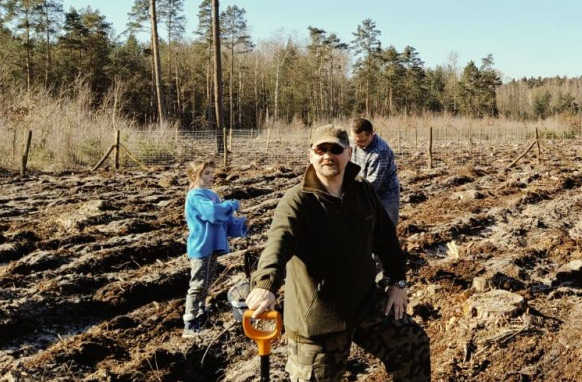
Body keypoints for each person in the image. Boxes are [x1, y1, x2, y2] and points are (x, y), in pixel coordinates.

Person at [247, 125, 430, 382]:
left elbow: (386, 239)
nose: (328, 155)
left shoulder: (362, 190)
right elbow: (278, 243)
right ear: (310, 154)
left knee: (414, 345)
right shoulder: (298, 201)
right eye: (321, 149)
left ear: (349, 153)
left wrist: (398, 281)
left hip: (364, 303)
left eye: (336, 149)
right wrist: (266, 285)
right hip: (319, 319)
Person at [182, 159, 246, 337]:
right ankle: (189, 322)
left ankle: (201, 312)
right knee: (198, 284)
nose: (212, 177)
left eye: (212, 173)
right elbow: (214, 214)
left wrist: (240, 225)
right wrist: (231, 205)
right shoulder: (195, 196)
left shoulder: (212, 195)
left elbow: (224, 219)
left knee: (207, 281)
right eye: (207, 173)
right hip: (201, 246)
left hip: (213, 246)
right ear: (195, 176)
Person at [351, 118, 401, 227]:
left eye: (361, 141)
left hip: (385, 194)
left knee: (387, 228)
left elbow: (373, 184)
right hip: (363, 186)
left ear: (371, 135)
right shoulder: (352, 142)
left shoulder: (379, 152)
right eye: (355, 140)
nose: (357, 144)